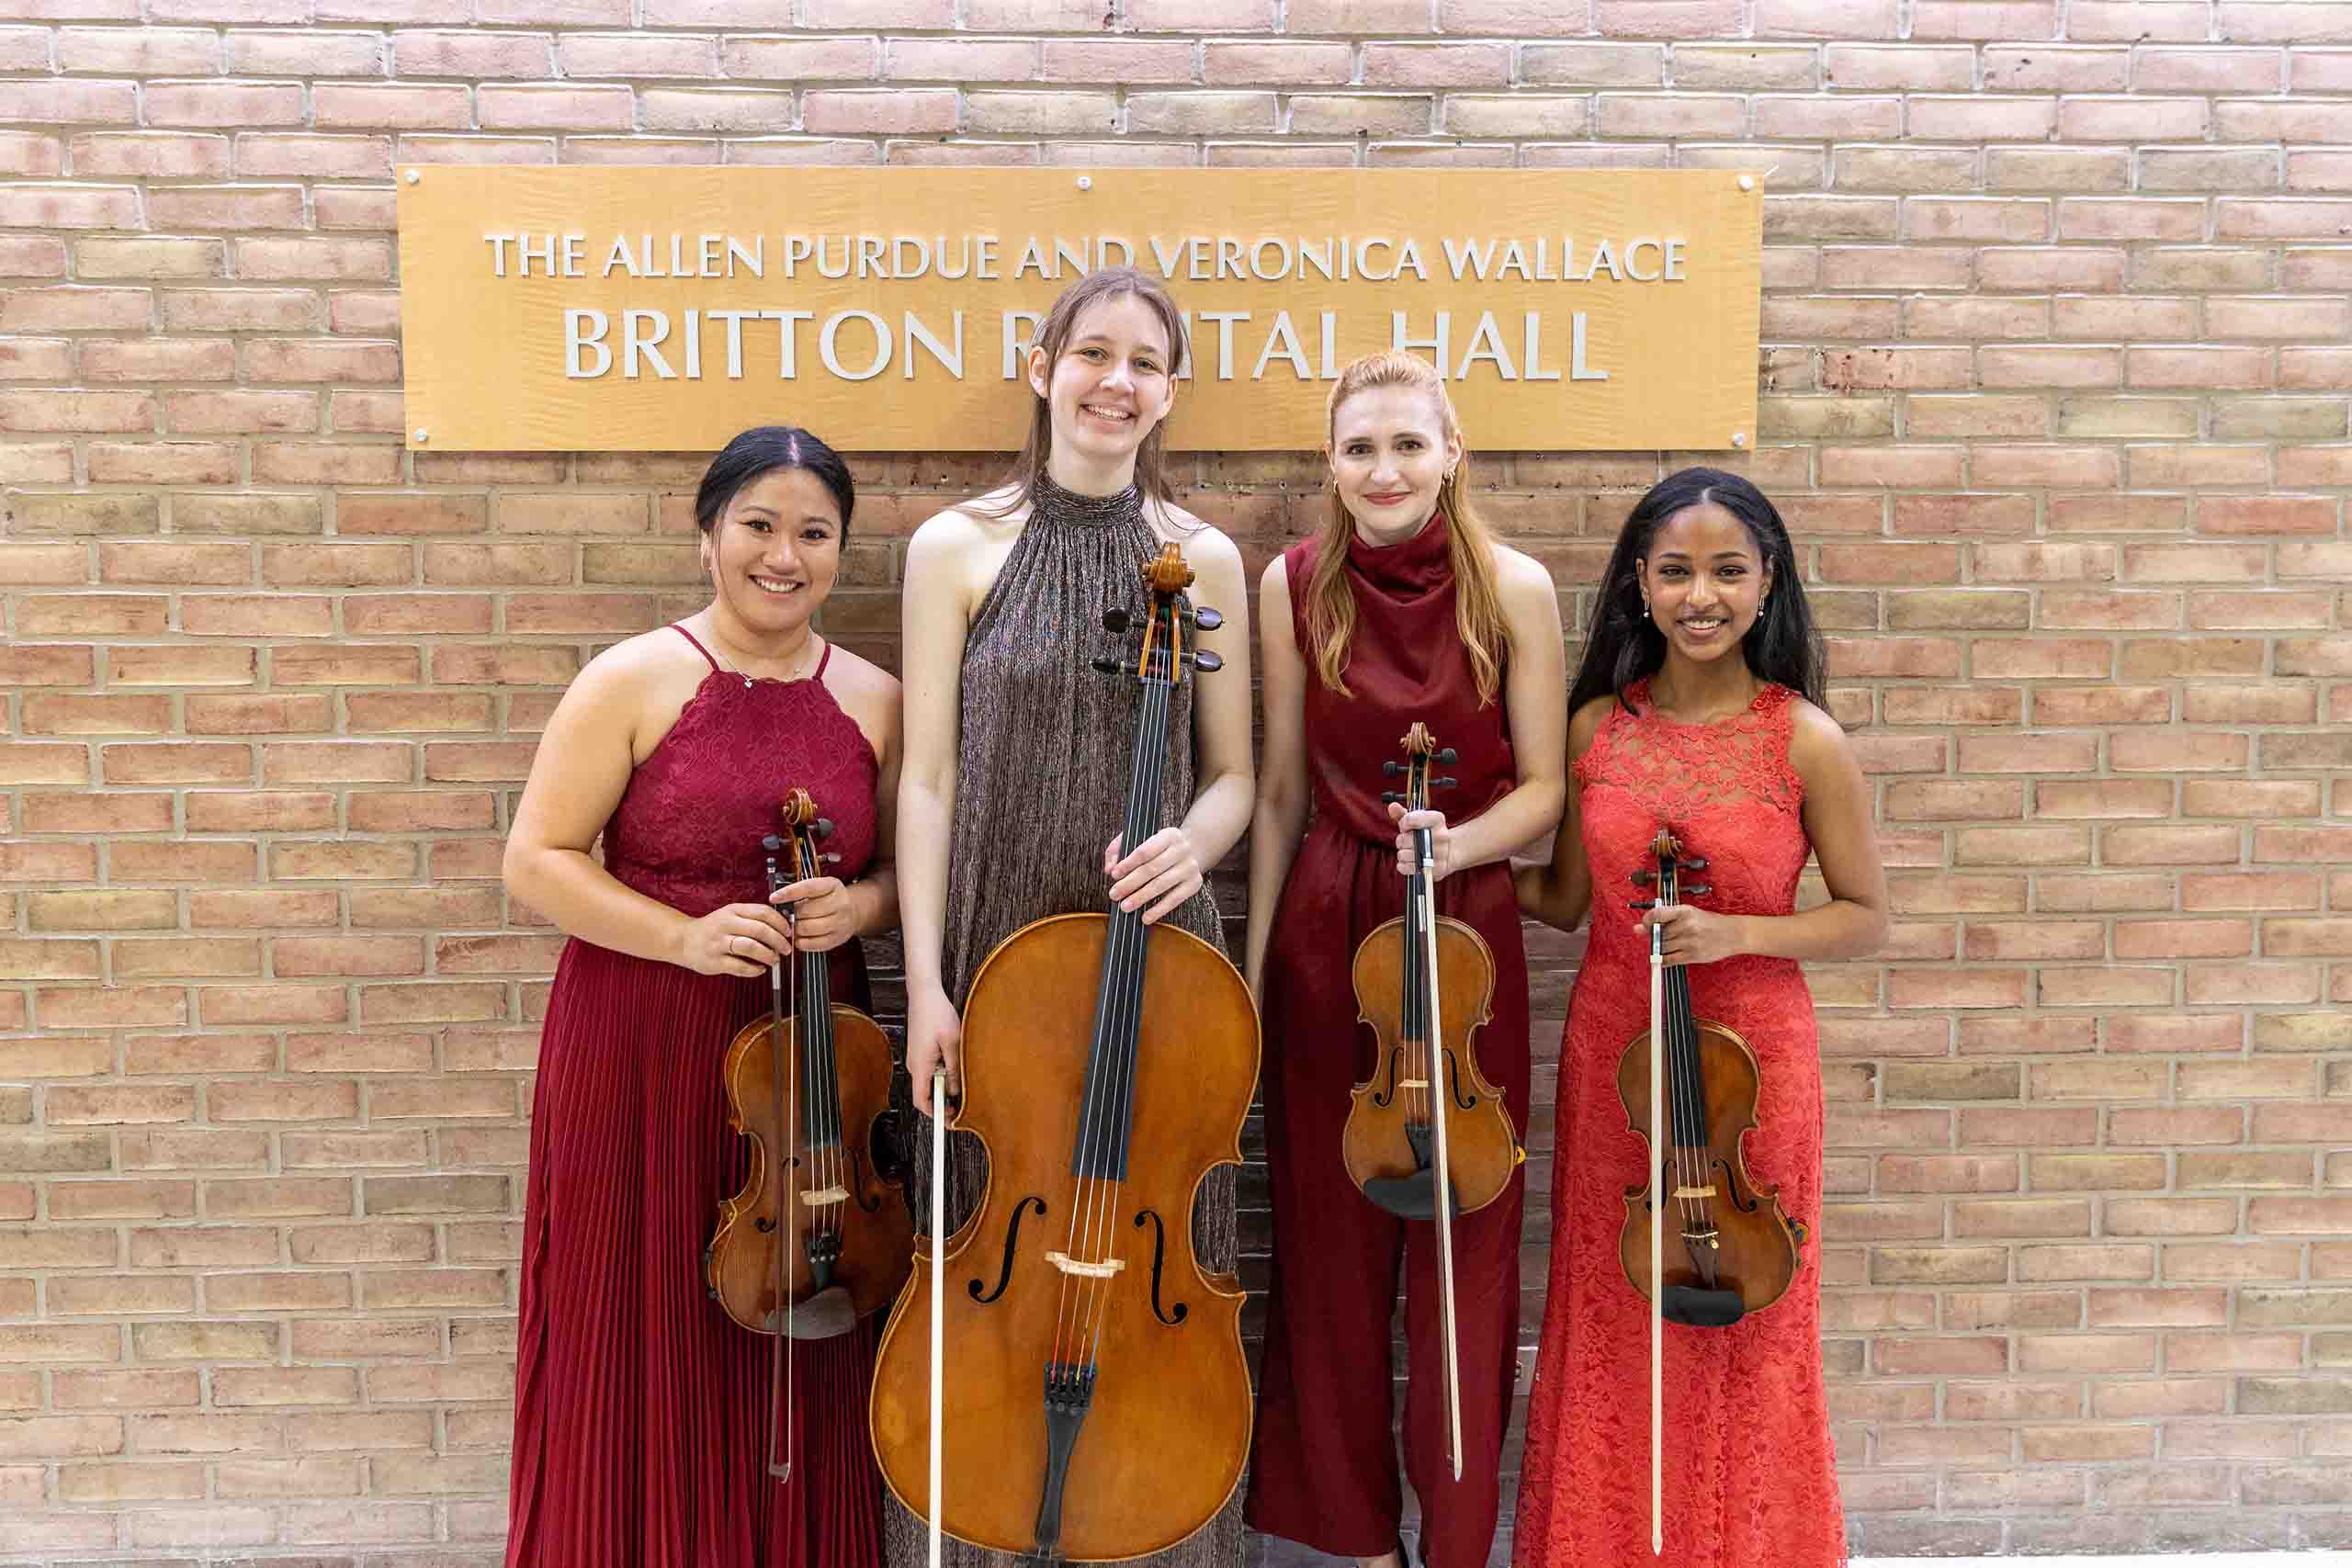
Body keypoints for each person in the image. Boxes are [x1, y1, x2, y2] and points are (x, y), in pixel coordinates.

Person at [890, 265, 1255, 1568]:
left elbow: (1236, 776)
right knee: (984, 1239)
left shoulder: (1200, 557)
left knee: (1148, 1235)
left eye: (1145, 361)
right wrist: (927, 984)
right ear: (1041, 368)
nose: (1118, 380)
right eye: (1092, 353)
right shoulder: (955, 545)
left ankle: (1147, 1525)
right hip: (993, 930)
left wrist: (1192, 844)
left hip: (1153, 948)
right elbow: (926, 776)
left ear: (1171, 391)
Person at [501, 426, 903, 1568]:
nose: (785, 556)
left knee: (801, 1304)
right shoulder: (630, 678)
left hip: (813, 1051)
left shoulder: (876, 700)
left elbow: (903, 876)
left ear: (840, 551)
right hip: (644, 1032)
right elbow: (536, 860)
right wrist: (682, 936)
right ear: (708, 536)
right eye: (759, 527)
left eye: (813, 533)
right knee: (641, 1316)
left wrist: (860, 911)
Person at [1511, 467, 1887, 1567]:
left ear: (1767, 584)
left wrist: (1741, 935)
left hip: (1752, 1079)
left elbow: (1865, 916)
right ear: (1639, 583)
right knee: (1613, 1306)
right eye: (1675, 571)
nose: (1701, 595)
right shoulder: (1595, 728)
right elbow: (1566, 900)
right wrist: (1445, 865)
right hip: (1613, 1057)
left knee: (1749, 1316)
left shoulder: (1803, 739)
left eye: (1728, 571)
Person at [1242, 350, 1566, 1568]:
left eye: (1407, 445)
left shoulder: (1515, 586)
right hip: (1331, 930)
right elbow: (1279, 793)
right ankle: (1358, 1539)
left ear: (1451, 452)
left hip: (1466, 917)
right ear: (1332, 463)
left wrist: (1456, 840)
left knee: (1466, 1238)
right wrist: (1263, 962)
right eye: (1359, 447)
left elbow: (1545, 789)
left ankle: (1458, 1537)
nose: (1384, 470)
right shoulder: (1293, 585)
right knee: (1327, 1250)